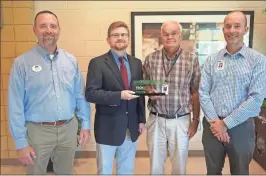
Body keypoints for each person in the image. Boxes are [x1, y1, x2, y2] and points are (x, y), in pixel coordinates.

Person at [8, 10, 91, 175]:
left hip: (68, 129)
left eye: (53, 26)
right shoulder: (21, 63)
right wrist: (20, 143)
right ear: (35, 30)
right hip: (37, 132)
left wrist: (85, 125)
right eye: (43, 26)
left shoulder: (71, 61)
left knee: (66, 172)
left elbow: (80, 96)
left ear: (59, 30)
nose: (48, 30)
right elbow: (15, 105)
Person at [199, 11, 266, 175]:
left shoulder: (257, 60)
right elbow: (203, 92)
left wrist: (225, 124)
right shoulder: (212, 60)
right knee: (212, 172)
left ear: (245, 29)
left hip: (242, 127)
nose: (232, 30)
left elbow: (256, 99)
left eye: (237, 26)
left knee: (240, 172)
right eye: (228, 26)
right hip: (212, 125)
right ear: (223, 30)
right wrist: (217, 124)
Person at [85, 21, 146, 175]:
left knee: (126, 171)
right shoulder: (97, 63)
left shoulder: (137, 63)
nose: (120, 38)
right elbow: (91, 93)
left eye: (123, 34)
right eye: (115, 35)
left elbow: (139, 94)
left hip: (130, 127)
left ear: (128, 38)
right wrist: (119, 95)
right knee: (104, 171)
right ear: (108, 39)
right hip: (107, 127)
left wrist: (141, 119)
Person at [143, 20, 201, 174]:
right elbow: (143, 85)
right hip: (156, 119)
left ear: (180, 35)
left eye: (174, 33)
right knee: (155, 165)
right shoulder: (151, 59)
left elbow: (195, 92)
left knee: (179, 166)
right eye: (166, 34)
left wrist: (195, 121)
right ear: (162, 36)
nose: (170, 37)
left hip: (180, 120)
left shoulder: (192, 59)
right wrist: (148, 89)